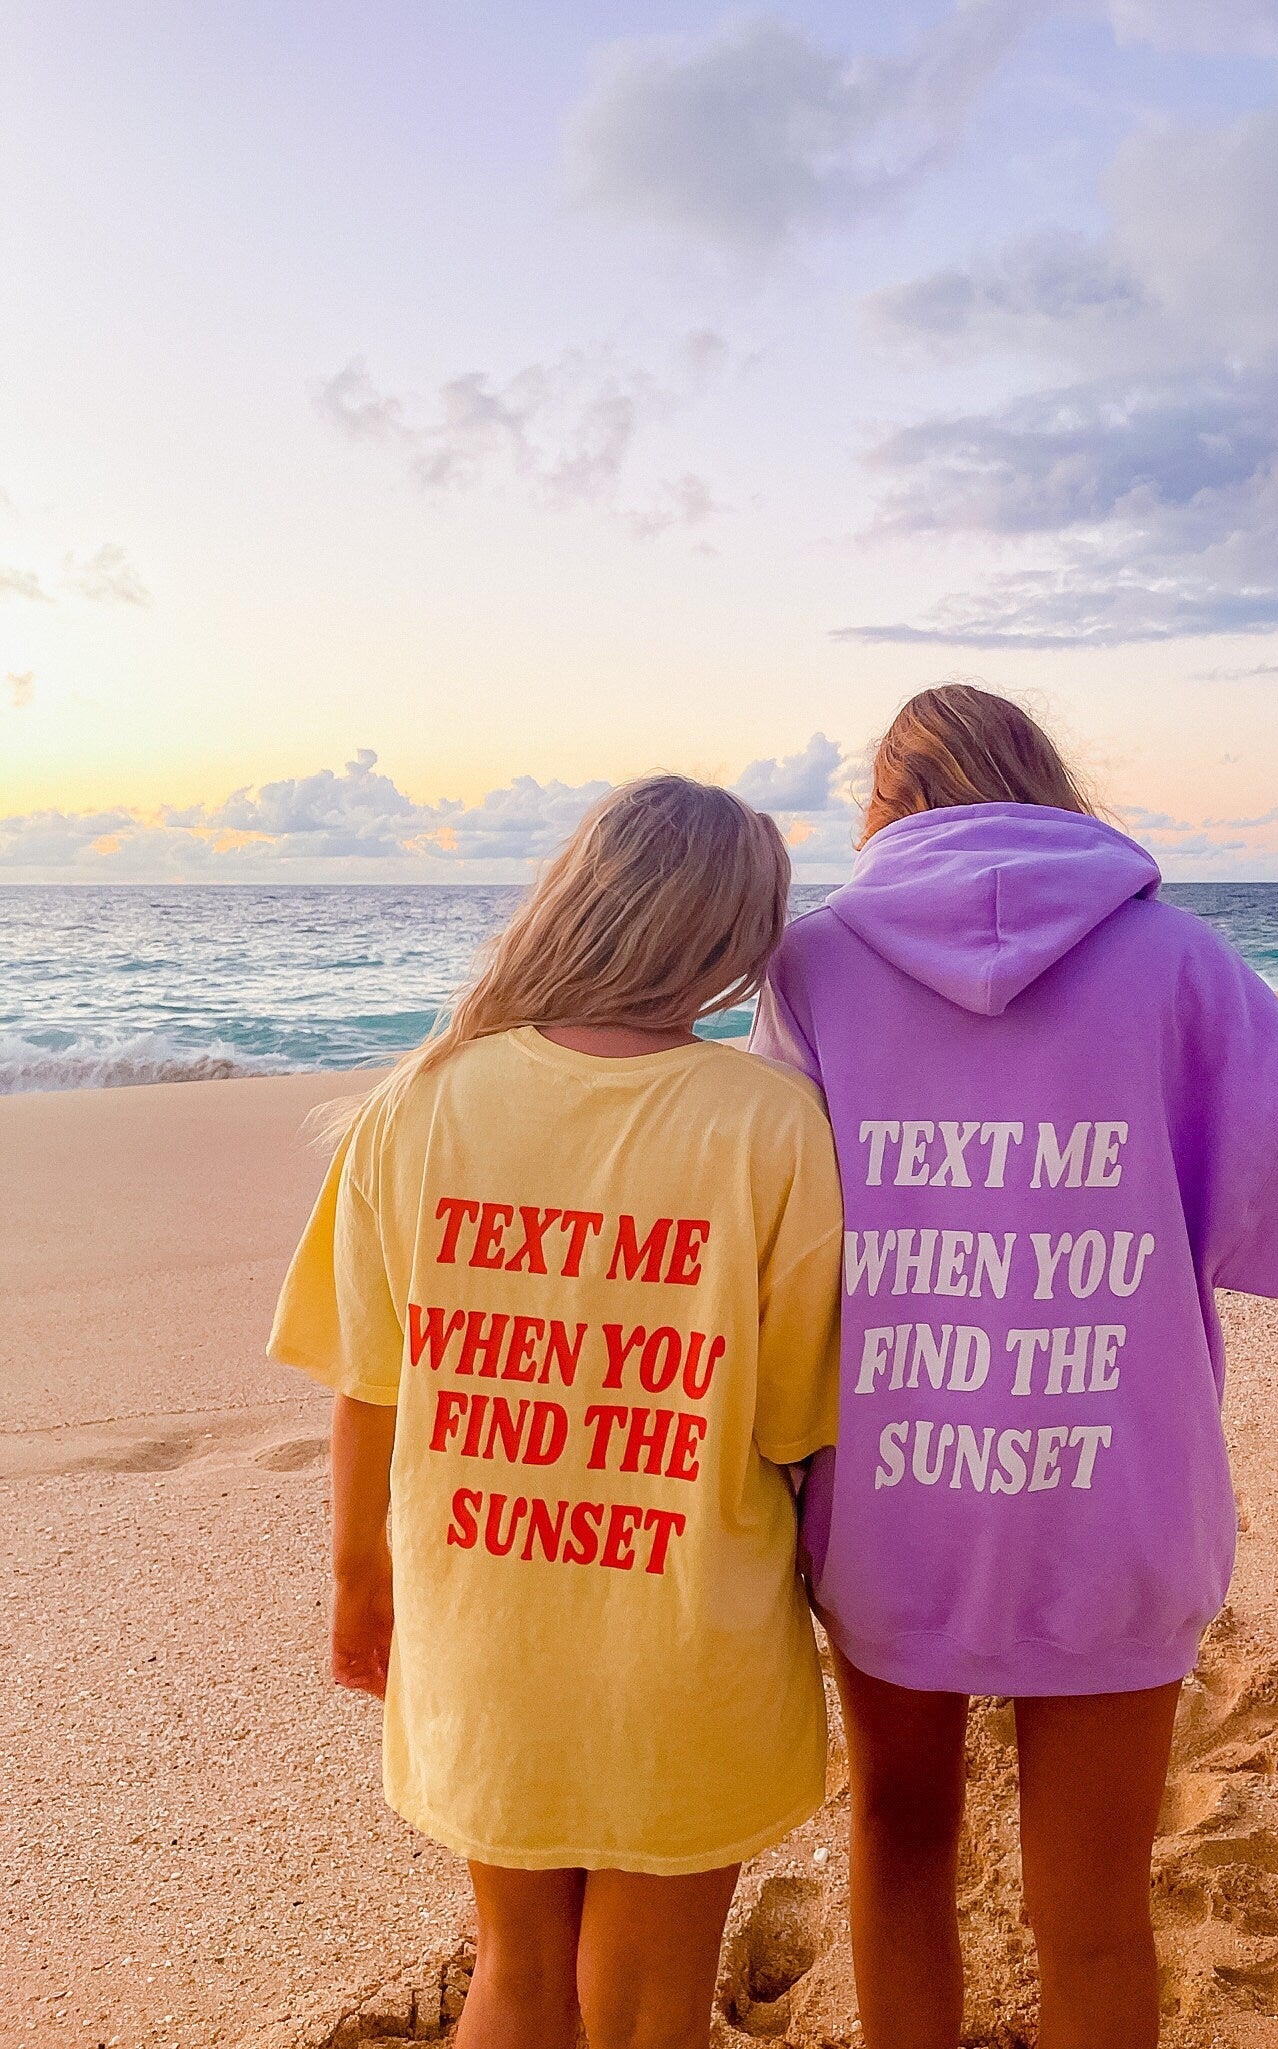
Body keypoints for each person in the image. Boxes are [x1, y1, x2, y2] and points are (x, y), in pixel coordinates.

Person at [750, 683, 1278, 2049]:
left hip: (893, 1491)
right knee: (1098, 1908)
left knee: (898, 1842)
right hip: (1111, 1494)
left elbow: (774, 1237)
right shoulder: (1174, 961)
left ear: (891, 805)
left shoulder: (810, 968)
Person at [270, 776, 843, 2049]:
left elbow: (369, 1386)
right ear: (733, 938)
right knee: (646, 2006)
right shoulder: (770, 1125)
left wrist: (358, 1583)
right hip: (686, 1635)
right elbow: (793, 1422)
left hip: (486, 1633)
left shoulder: (417, 1101)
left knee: (518, 1975)